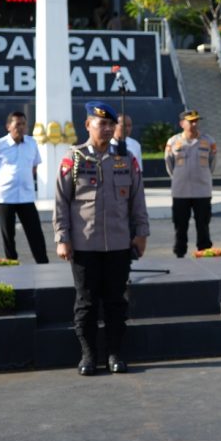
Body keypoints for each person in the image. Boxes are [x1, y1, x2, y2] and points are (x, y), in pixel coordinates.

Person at [54, 101, 149, 376]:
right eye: (101, 124)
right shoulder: (73, 159)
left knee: (116, 302)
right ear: (87, 125)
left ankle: (115, 353)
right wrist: (63, 237)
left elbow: (137, 199)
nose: (107, 129)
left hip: (119, 245)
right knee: (86, 302)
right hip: (84, 245)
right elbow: (61, 202)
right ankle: (88, 355)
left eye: (111, 124)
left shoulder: (125, 159)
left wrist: (141, 233)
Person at [0, 110, 49, 264]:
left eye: (24, 124)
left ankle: (43, 264)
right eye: (17, 124)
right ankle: (12, 266)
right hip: (5, 197)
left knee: (35, 233)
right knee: (8, 235)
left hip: (26, 197)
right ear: (8, 126)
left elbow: (34, 167)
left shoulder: (32, 143)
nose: (21, 127)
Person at [165, 109, 217, 258]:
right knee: (180, 225)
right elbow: (169, 165)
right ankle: (180, 252)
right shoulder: (173, 142)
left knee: (203, 224)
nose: (194, 124)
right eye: (190, 121)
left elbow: (212, 164)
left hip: (202, 191)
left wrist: (204, 176)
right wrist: (178, 177)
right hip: (181, 191)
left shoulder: (209, 141)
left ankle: (204, 251)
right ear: (182, 123)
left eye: (196, 121)